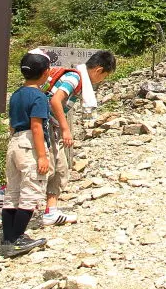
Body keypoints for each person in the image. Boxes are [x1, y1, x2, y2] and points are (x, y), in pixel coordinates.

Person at [41, 50, 116, 225]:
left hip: (51, 126)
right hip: (44, 125)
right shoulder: (75, 78)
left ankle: (51, 211)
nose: (102, 80)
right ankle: (6, 193)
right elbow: (55, 101)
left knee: (60, 168)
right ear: (98, 70)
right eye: (104, 76)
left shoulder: (78, 79)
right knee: (46, 168)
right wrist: (66, 129)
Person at [0, 52, 52, 257]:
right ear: (46, 72)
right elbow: (37, 127)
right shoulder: (38, 96)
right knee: (31, 191)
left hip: (14, 143)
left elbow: (12, 125)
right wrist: (42, 156)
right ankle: (19, 237)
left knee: (12, 192)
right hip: (30, 143)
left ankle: (8, 238)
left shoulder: (16, 94)